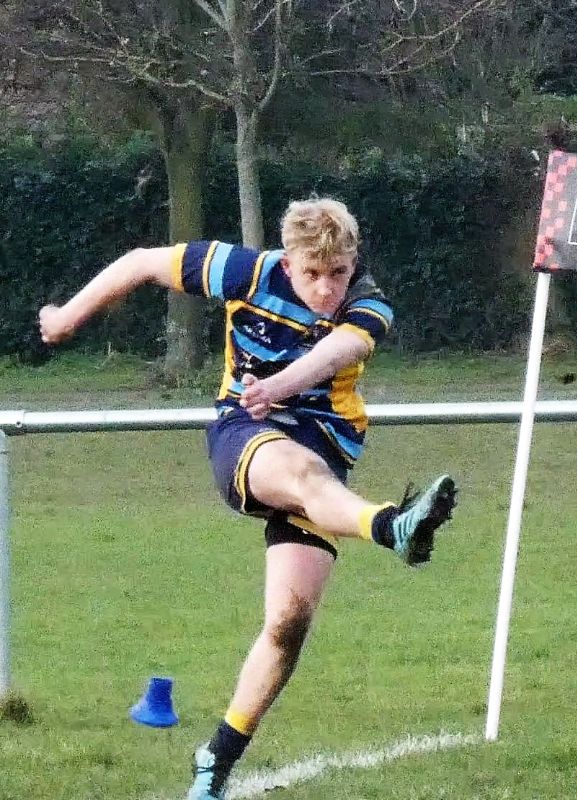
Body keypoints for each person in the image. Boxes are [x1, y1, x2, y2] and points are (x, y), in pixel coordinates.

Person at [38, 197, 458, 800]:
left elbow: (336, 353)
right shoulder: (243, 270)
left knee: (288, 624)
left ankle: (215, 761)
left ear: (352, 262)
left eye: (337, 274)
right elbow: (138, 263)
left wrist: (281, 385)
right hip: (245, 437)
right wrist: (67, 318)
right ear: (288, 260)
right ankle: (393, 526)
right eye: (312, 274)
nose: (326, 289)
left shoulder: (370, 301)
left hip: (321, 446)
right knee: (308, 476)